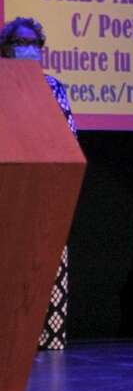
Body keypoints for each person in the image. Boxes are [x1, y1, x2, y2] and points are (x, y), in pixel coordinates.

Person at [0, 17, 77, 349]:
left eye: (35, 44)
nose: (29, 49)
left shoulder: (53, 87)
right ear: (6, 49)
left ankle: (49, 340)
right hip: (8, 188)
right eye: (21, 43)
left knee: (48, 264)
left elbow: (68, 137)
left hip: (45, 191)